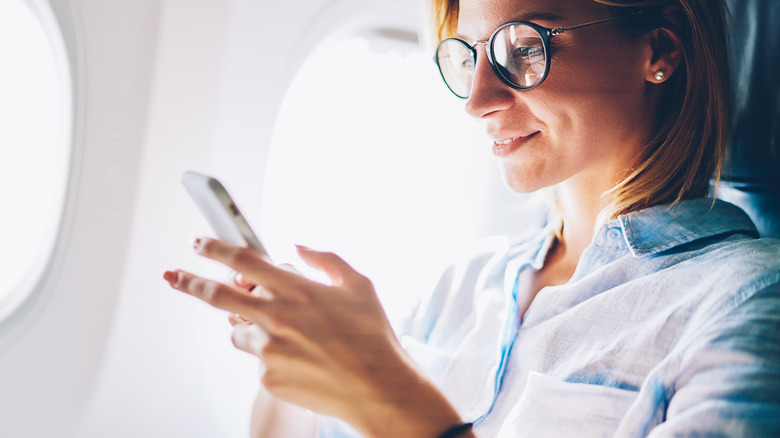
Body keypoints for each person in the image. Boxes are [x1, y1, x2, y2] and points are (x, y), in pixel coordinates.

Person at [163, 0, 780, 436]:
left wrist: (391, 397)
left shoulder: (748, 299)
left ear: (659, 49)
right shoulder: (462, 285)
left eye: (522, 48)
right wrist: (295, 356)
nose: (479, 101)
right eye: (469, 58)